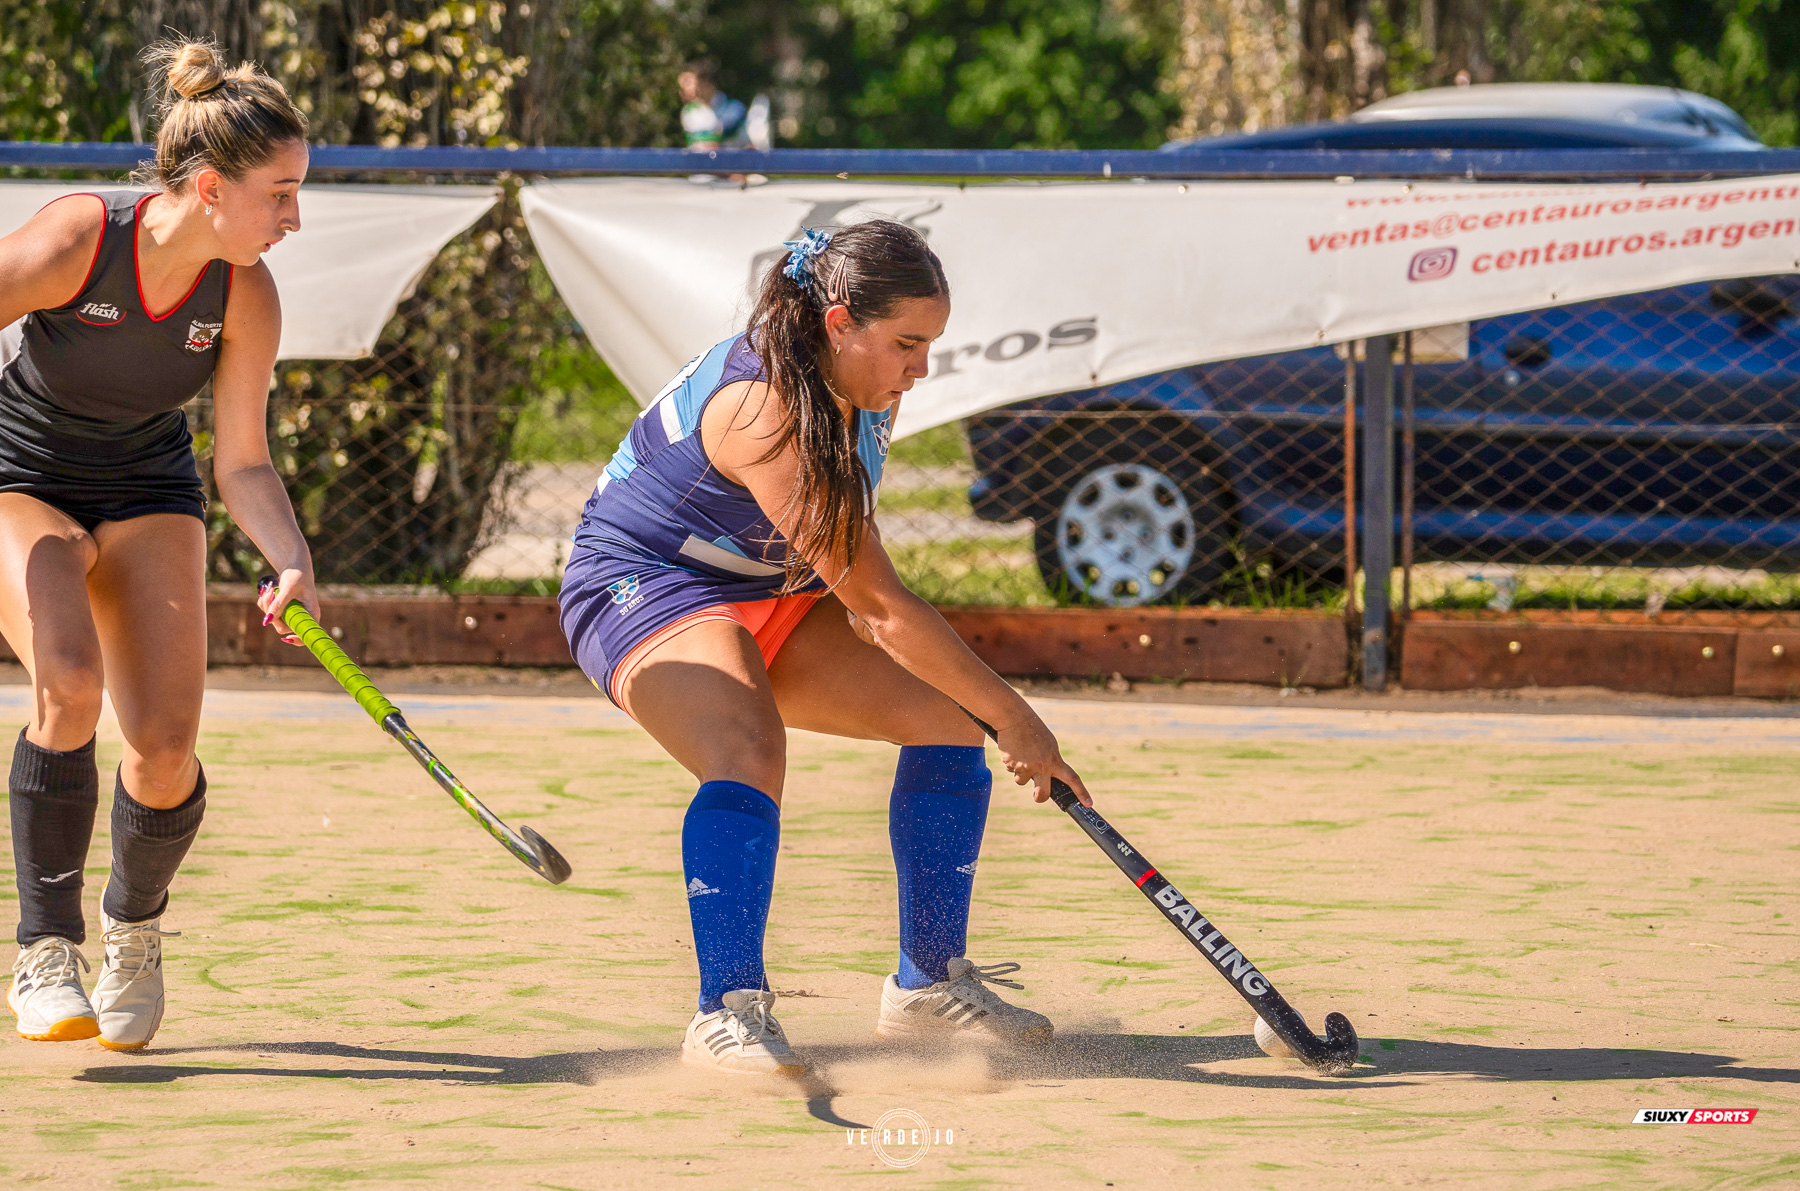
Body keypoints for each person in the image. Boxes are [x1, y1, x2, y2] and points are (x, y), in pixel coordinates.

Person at [557, 220, 1092, 1076]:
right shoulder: (765, 409)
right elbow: (881, 607)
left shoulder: (860, 383)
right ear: (839, 323)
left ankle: (926, 986)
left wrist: (982, 708)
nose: (922, 368)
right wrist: (1018, 716)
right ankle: (725, 1009)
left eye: (930, 344)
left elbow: (855, 573)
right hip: (642, 584)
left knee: (948, 720)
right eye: (908, 344)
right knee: (746, 746)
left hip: (772, 591)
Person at [0, 38, 318, 1049]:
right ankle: (45, 948)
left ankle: (132, 930)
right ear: (212, 188)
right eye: (281, 194)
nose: (294, 218)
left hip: (147, 486)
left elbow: (243, 462)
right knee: (68, 684)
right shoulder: (77, 238)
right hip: (21, 476)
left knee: (166, 747)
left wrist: (292, 556)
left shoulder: (244, 295)